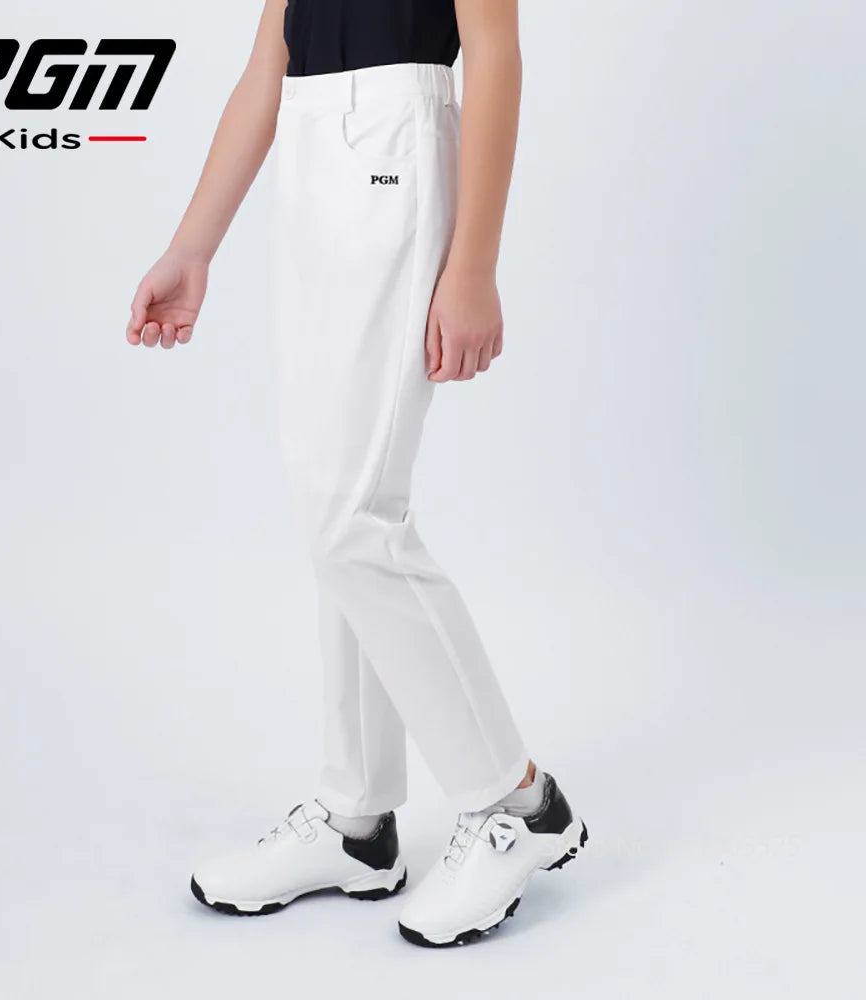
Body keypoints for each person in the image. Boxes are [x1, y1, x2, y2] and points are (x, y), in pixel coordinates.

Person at [126, 0, 586, 947]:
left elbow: (495, 54)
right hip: (310, 157)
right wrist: (192, 246)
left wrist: (474, 267)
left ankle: (519, 804)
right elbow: (269, 62)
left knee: (354, 516)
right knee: (328, 504)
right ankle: (357, 818)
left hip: (394, 149)